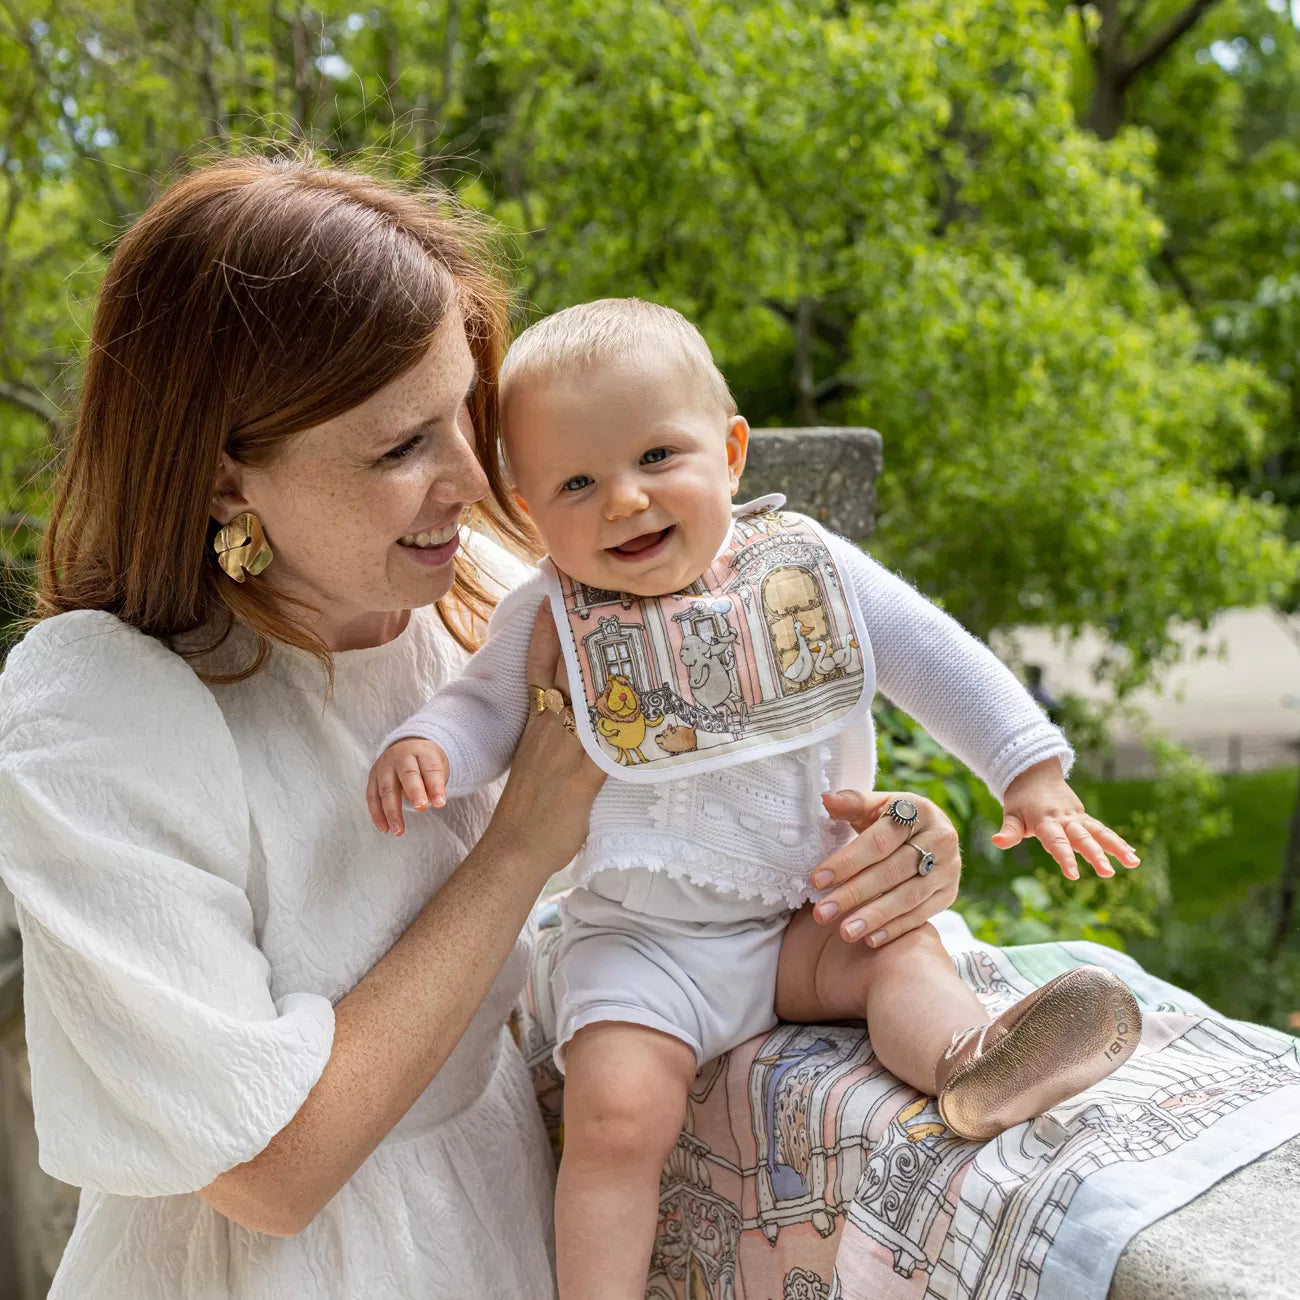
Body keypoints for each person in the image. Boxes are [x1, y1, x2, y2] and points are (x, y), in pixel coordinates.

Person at [0, 157, 975, 1300]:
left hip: (509, 1220)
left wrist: (877, 861)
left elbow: (680, 855)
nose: (475, 477)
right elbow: (264, 1167)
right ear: (225, 481)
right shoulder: (98, 711)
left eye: (466, 410)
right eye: (400, 446)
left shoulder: (487, 590)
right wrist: (519, 843)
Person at [367, 299, 1145, 1300]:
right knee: (614, 1116)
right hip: (642, 944)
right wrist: (425, 744)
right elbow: (479, 708)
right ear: (526, 511)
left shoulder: (803, 570)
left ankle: (969, 1060)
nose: (623, 501)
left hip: (802, 913)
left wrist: (1026, 767)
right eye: (576, 482)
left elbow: (927, 651)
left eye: (657, 456)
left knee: (894, 950)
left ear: (730, 452)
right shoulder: (551, 612)